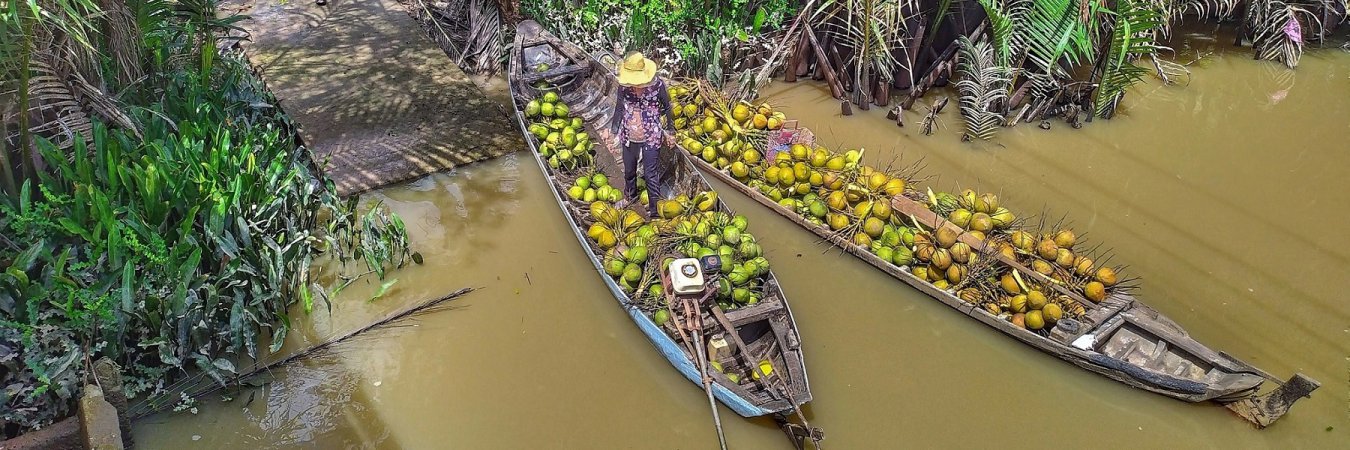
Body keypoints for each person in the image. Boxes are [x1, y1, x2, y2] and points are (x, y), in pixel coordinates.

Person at [609, 52, 676, 216]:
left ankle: (654, 210)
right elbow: (619, 109)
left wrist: (670, 131)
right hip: (628, 134)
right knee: (629, 169)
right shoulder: (624, 87)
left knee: (650, 174)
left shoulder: (657, 86)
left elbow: (667, 108)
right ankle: (629, 196)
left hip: (651, 135)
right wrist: (613, 132)